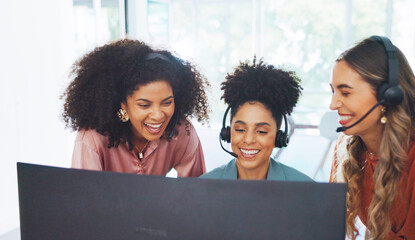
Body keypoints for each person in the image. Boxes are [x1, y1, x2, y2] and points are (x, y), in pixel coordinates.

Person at [329, 36, 415, 239]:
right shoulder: (346, 148)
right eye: (333, 91)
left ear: (388, 96)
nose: (333, 104)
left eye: (345, 92)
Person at [61, 39, 210, 177]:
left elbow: (196, 194)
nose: (158, 115)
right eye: (144, 105)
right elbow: (85, 199)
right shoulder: (92, 138)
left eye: (166, 103)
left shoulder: (182, 133)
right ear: (123, 104)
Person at [201, 59, 313, 181]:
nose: (248, 140)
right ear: (227, 133)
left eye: (261, 131)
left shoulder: (306, 189)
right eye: (240, 130)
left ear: (278, 136)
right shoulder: (203, 187)